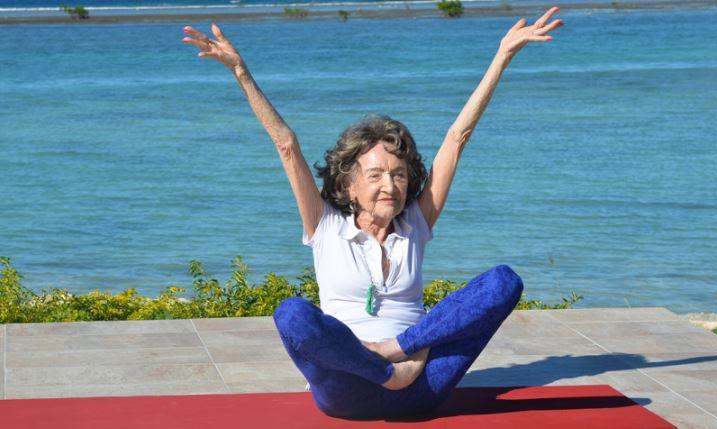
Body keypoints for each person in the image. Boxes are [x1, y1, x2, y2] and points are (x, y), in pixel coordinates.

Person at [182, 6, 563, 419]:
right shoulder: (324, 225)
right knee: (291, 314)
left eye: (399, 175)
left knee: (503, 282)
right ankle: (383, 369)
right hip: (346, 388)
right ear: (349, 183)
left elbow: (457, 138)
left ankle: (393, 355)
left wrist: (502, 55)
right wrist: (241, 72)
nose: (390, 185)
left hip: (422, 381)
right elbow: (286, 144)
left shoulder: (416, 223)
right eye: (377, 174)